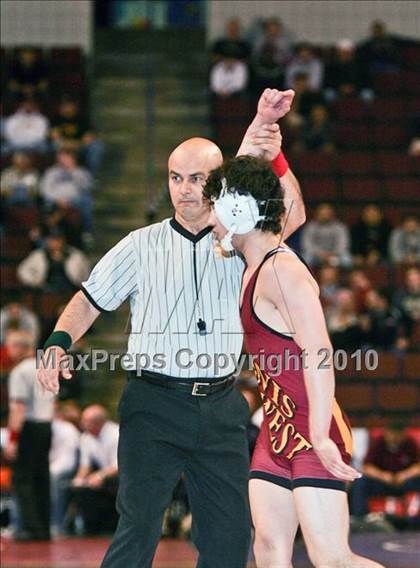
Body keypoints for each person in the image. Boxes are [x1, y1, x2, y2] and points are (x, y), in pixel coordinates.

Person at [36, 89, 305, 568]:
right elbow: (88, 300)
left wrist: (273, 154)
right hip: (152, 405)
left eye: (197, 179)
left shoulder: (241, 241)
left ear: (217, 182)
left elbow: (293, 215)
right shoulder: (139, 245)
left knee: (228, 535)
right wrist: (58, 342)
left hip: (222, 406)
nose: (183, 189)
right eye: (176, 178)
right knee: (137, 527)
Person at [205, 155, 383, 568]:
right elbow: (294, 210)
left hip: (310, 429)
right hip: (276, 430)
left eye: (216, 207)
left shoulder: (282, 271)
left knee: (333, 560)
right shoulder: (256, 262)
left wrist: (319, 434)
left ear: (238, 210)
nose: (212, 220)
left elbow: (319, 354)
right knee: (268, 550)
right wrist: (274, 151)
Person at [3, 330, 55, 541]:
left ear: (21, 347)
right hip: (46, 425)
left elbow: (18, 408)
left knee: (23, 479)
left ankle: (30, 528)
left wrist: (12, 439)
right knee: (41, 477)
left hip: (29, 428)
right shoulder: (45, 366)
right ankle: (44, 527)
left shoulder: (19, 372)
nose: (8, 351)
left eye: (10, 346)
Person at [351, 425, 420, 519]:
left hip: (404, 482)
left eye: (398, 433)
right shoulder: (378, 443)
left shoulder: (409, 443)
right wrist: (382, 475)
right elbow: (366, 467)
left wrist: (405, 475)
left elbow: (418, 466)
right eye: (391, 433)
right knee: (360, 482)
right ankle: (360, 518)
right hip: (382, 483)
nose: (394, 436)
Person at [69, 405, 118, 535]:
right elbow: (85, 465)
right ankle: (91, 528)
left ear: (98, 423)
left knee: (110, 484)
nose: (82, 424)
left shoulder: (116, 434)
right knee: (81, 488)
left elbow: (120, 465)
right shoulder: (86, 437)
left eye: (85, 421)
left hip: (121, 476)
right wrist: (79, 480)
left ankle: (111, 526)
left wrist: (99, 476)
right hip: (104, 474)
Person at [17, 229, 90, 294]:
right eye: (52, 240)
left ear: (63, 240)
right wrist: (35, 281)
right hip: (45, 291)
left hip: (71, 290)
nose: (55, 243)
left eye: (58, 239)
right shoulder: (38, 255)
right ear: (47, 241)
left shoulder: (76, 255)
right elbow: (22, 270)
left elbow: (86, 273)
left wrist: (80, 283)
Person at [40, 148, 94, 234]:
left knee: (87, 202)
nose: (64, 160)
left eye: (67, 157)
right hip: (54, 202)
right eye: (62, 157)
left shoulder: (82, 172)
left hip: (75, 202)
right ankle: (46, 232)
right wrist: (57, 200)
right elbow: (45, 190)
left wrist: (73, 171)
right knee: (46, 207)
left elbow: (86, 188)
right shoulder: (52, 172)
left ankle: (86, 232)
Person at [50, 97, 104, 175]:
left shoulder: (84, 119)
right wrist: (69, 144)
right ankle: (59, 175)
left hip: (80, 148)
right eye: (65, 106)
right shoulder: (56, 119)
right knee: (55, 145)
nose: (67, 108)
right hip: (62, 147)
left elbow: (88, 139)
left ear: (75, 107)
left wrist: (74, 145)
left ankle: (90, 176)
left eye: (69, 105)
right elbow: (56, 138)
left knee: (97, 146)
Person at [50, 403, 81, 535]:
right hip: (55, 466)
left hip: (66, 467)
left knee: (55, 479)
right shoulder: (53, 426)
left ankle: (56, 523)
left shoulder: (66, 428)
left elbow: (70, 458)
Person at [301, 203, 351, 267]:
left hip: (335, 255)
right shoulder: (310, 227)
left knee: (347, 260)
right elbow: (307, 245)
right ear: (317, 214)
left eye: (327, 214)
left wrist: (332, 254)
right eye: (322, 214)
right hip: (315, 255)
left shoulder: (340, 227)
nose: (324, 216)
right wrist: (320, 254)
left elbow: (343, 245)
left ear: (332, 214)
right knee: (305, 259)